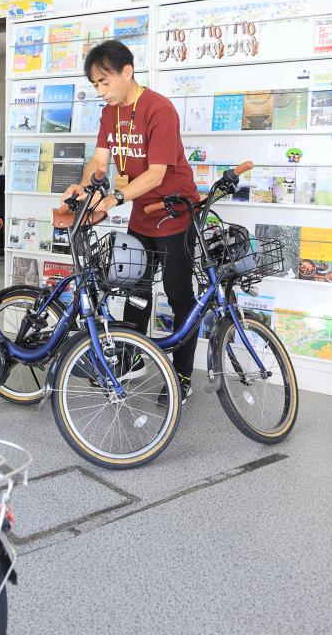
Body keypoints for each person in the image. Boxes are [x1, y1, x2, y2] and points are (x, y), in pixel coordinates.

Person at [63, 39, 199, 404]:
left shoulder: (159, 110)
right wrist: (83, 184)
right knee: (134, 288)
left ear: (128, 72)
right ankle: (134, 356)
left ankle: (182, 378)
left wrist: (113, 199)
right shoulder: (111, 113)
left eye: (104, 82)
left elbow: (155, 175)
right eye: (95, 84)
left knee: (179, 295)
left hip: (175, 214)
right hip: (142, 215)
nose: (100, 90)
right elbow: (99, 161)